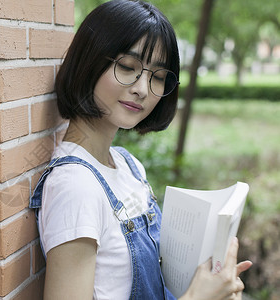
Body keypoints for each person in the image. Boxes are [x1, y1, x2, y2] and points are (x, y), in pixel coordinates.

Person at [29, 0, 252, 299]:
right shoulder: (76, 187)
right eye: (127, 67)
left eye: (158, 77)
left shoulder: (128, 164)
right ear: (89, 60)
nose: (143, 89)